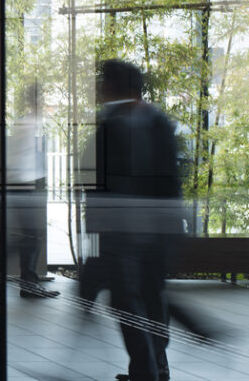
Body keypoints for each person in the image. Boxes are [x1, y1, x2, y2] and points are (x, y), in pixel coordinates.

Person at [86, 59, 183, 381]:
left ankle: (148, 370)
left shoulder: (119, 123)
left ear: (118, 87)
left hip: (130, 233)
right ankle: (152, 367)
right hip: (144, 231)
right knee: (149, 298)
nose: (99, 87)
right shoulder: (156, 121)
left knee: (131, 301)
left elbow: (97, 181)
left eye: (103, 81)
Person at [7, 84, 59, 299]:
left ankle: (29, 282)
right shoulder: (26, 123)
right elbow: (18, 156)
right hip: (24, 187)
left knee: (32, 235)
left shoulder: (31, 122)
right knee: (32, 235)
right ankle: (28, 284)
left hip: (28, 186)